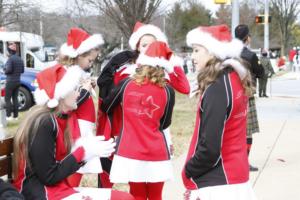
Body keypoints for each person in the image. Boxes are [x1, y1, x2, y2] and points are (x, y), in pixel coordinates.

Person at [12, 64, 134, 200]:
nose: (79, 93)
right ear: (62, 94)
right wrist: (83, 152)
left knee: (124, 197)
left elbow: (57, 168)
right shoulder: (44, 123)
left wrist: (86, 153)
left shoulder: (58, 118)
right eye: (75, 89)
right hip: (41, 193)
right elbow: (49, 177)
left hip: (56, 190)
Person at [96, 21, 190, 188]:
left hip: (156, 131)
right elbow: (112, 101)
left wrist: (173, 62)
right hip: (131, 132)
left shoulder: (163, 72)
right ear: (138, 46)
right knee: (137, 188)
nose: (148, 48)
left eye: (152, 44)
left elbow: (184, 87)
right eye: (144, 44)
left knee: (155, 187)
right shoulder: (127, 73)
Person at [181, 24, 256, 200]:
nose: (192, 56)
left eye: (197, 50)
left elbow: (210, 149)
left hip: (219, 181)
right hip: (233, 175)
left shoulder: (217, 87)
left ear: (212, 52)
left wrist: (189, 170)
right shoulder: (235, 77)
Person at [101, 41, 175, 200]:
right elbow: (165, 123)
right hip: (157, 150)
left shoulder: (126, 84)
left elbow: (107, 106)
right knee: (156, 196)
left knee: (137, 194)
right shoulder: (168, 90)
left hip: (130, 149)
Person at [54, 27, 105, 187]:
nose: (91, 64)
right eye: (90, 61)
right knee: (76, 164)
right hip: (77, 127)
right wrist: (85, 89)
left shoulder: (77, 72)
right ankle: (68, 192)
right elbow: (72, 103)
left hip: (83, 126)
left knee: (79, 165)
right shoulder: (72, 73)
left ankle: (70, 190)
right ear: (79, 56)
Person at [235, 24, 264, 172]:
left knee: (232, 130)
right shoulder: (250, 55)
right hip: (247, 95)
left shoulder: (228, 54)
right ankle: (243, 162)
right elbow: (261, 73)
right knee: (247, 131)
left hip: (231, 95)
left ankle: (232, 160)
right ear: (247, 38)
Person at [4, 42, 24, 121]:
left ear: (10, 51)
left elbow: (8, 70)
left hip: (10, 82)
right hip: (18, 81)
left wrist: (4, 70)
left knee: (7, 99)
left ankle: (8, 116)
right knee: (15, 98)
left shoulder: (10, 59)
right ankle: (16, 116)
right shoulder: (20, 59)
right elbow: (22, 70)